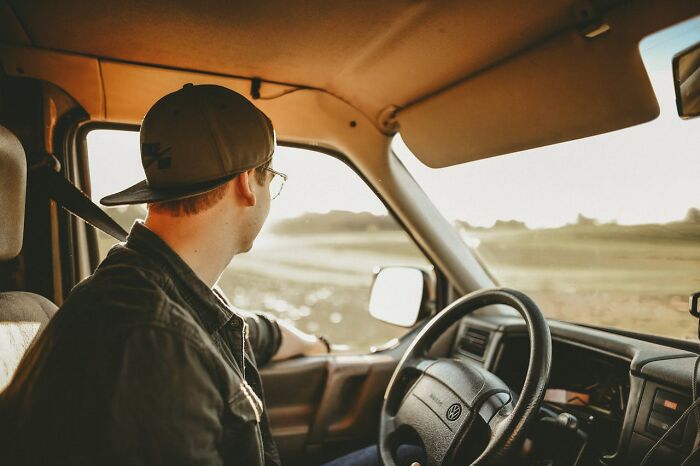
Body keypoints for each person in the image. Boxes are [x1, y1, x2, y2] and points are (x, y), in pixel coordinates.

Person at [0, 84, 422, 466]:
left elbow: (238, 332)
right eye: (270, 177)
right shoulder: (156, 346)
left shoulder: (148, 285)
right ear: (245, 184)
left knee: (401, 454)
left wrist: (315, 344)